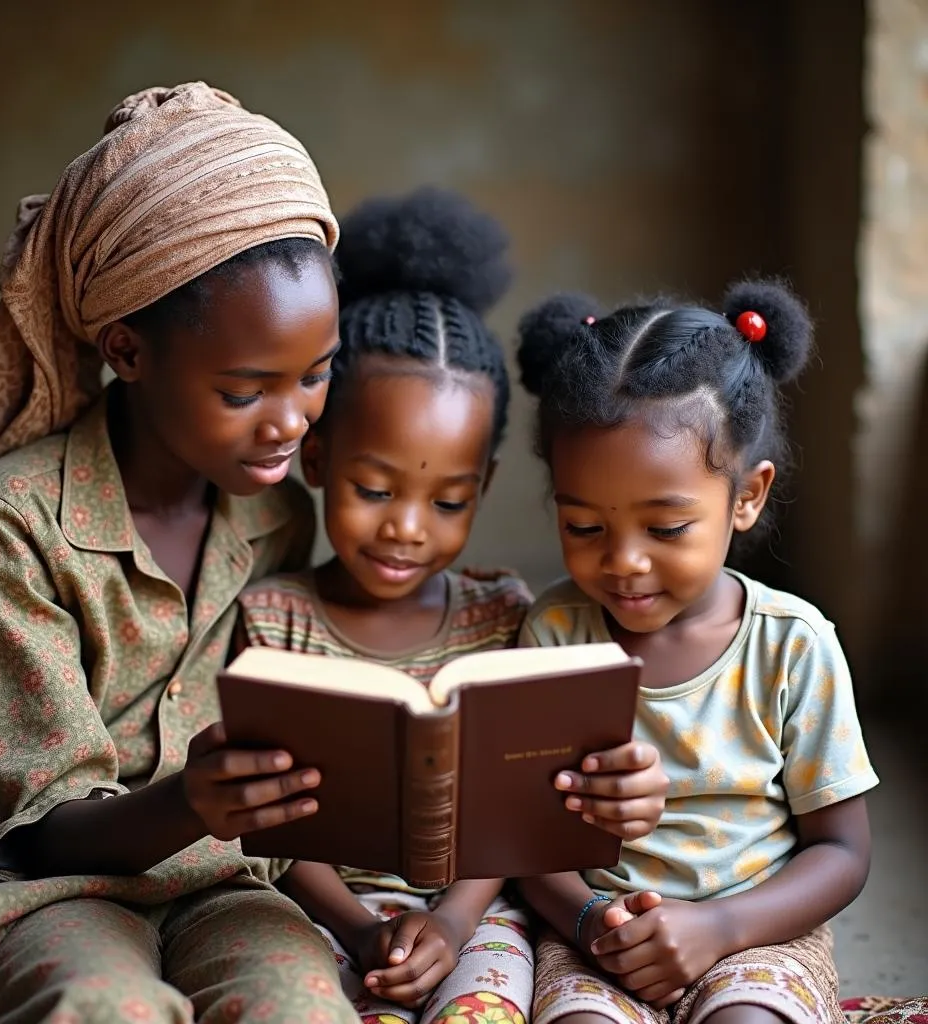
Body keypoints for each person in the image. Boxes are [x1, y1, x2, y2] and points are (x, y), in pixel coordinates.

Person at [0, 82, 359, 1024]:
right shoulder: (15, 523)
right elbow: (29, 836)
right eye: (246, 390)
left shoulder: (276, 521)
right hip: (42, 891)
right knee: (100, 1006)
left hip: (223, 890)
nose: (290, 422)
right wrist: (193, 799)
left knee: (300, 1004)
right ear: (128, 350)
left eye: (315, 374)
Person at [238, 188, 671, 1024]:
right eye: (373, 488)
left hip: (474, 914)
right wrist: (364, 930)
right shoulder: (273, 620)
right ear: (317, 457)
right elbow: (272, 832)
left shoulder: (506, 615)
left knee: (490, 1006)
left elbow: (522, 811)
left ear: (486, 490)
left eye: (447, 503)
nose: (405, 529)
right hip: (317, 913)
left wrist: (451, 918)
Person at [513, 281, 879, 1024]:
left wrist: (720, 928)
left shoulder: (791, 644)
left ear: (745, 497)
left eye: (667, 528)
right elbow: (523, 838)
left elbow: (842, 852)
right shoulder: (555, 633)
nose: (624, 563)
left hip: (759, 935)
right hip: (597, 934)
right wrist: (590, 924)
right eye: (584, 527)